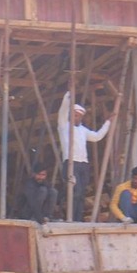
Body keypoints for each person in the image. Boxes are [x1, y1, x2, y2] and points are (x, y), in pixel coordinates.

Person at [55, 93, 112, 221]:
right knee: (75, 191)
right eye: (75, 115)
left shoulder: (83, 130)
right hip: (71, 163)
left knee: (81, 194)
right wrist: (68, 95)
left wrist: (108, 123)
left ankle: (78, 218)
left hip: (83, 164)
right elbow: (63, 110)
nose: (77, 118)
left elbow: (97, 137)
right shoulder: (64, 126)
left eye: (79, 116)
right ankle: (70, 217)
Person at [15, 161, 60, 225]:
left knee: (53, 192)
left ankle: (48, 216)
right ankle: (36, 217)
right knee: (43, 191)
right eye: (39, 174)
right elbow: (32, 203)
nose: (41, 177)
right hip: (28, 213)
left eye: (43, 175)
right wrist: (39, 218)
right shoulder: (29, 184)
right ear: (34, 174)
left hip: (40, 215)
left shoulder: (45, 183)